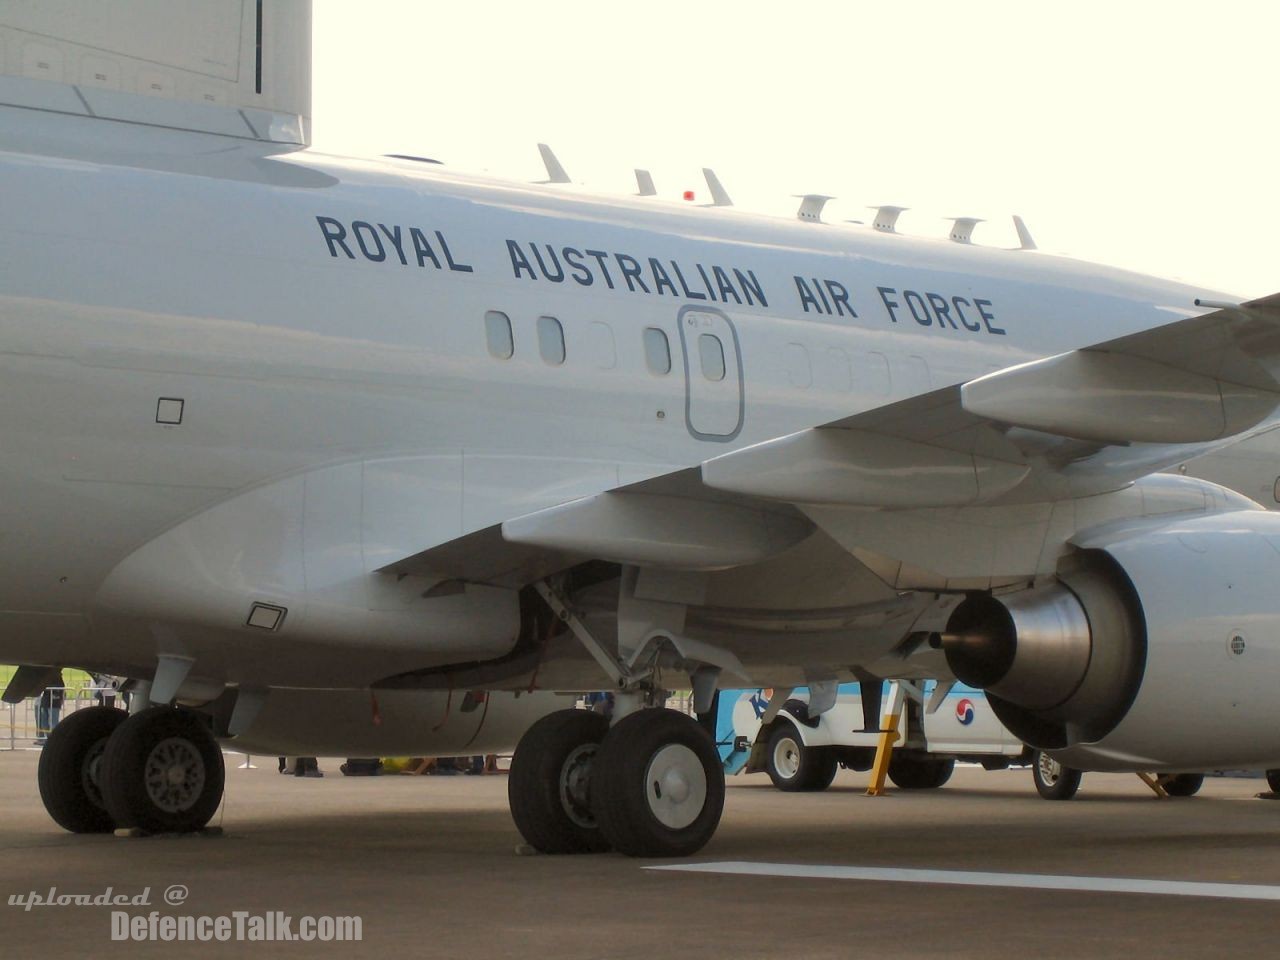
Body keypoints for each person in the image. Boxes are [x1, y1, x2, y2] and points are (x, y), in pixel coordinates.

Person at [34, 671, 66, 744]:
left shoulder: (58, 679)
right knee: (44, 722)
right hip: (45, 702)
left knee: (53, 722)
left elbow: (59, 689)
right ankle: (46, 738)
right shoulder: (45, 678)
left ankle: (54, 739)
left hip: (54, 703)